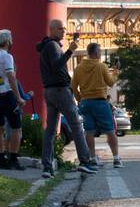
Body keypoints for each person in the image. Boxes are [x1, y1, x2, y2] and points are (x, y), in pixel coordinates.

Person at [37, 20, 96, 178]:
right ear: (53, 29)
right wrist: (70, 51)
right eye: (61, 29)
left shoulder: (45, 46)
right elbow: (57, 66)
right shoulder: (52, 46)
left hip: (48, 90)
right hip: (60, 90)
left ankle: (47, 167)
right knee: (76, 125)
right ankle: (84, 161)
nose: (64, 31)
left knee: (50, 130)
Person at [72, 42, 121, 169]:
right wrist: (116, 72)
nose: (100, 54)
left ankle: (93, 158)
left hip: (86, 103)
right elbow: (110, 83)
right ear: (96, 53)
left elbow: (73, 87)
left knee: (89, 131)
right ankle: (116, 159)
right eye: (99, 51)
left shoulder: (78, 68)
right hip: (100, 102)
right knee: (110, 131)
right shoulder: (101, 66)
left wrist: (79, 99)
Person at [0, 30, 29, 169]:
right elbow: (11, 76)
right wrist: (19, 97)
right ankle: (13, 160)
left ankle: (1, 160)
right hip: (6, 94)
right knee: (16, 127)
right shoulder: (7, 56)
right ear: (8, 41)